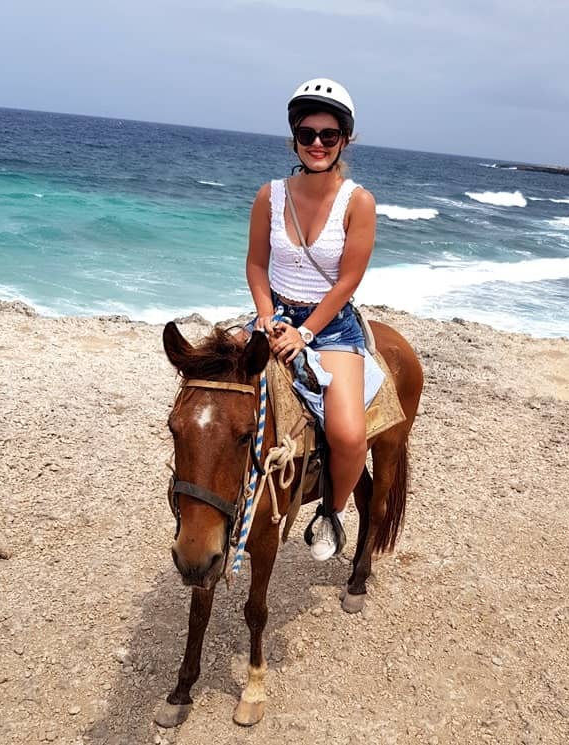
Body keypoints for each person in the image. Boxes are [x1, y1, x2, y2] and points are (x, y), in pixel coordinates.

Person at [245, 77, 376, 561]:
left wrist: (304, 333)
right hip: (272, 315)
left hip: (330, 326)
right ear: (294, 138)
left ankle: (333, 513)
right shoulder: (270, 195)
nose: (317, 144)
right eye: (307, 134)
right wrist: (265, 318)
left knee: (348, 434)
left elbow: (347, 281)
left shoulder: (358, 201)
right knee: (212, 398)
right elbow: (257, 265)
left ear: (345, 139)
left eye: (328, 135)